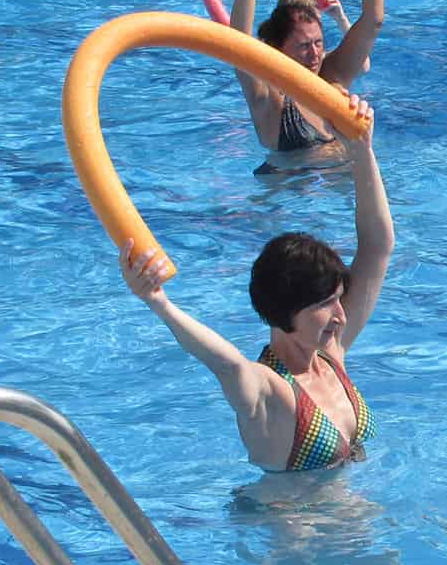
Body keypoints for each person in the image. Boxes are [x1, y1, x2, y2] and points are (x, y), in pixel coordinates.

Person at [119, 94, 393, 473]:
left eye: (339, 299)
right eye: (324, 305)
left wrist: (361, 150)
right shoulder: (267, 392)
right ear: (284, 314)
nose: (341, 316)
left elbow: (377, 247)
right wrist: (158, 303)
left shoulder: (331, 354)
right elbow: (226, 364)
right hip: (293, 529)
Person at [229, 0, 389, 163]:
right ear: (278, 50)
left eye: (318, 43)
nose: (315, 54)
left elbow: (373, 19)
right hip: (285, 199)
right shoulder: (269, 96)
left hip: (343, 192)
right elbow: (236, 41)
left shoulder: (331, 74)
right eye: (304, 46)